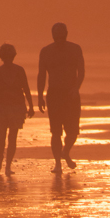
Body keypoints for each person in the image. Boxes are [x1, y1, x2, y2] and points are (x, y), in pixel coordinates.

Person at [37, 23, 85, 173]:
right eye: (55, 33)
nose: (58, 35)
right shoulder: (46, 51)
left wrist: (76, 88)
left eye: (60, 32)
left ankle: (66, 152)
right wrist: (39, 97)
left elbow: (81, 71)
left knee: (73, 131)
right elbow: (41, 75)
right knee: (56, 132)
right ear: (52, 34)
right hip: (54, 94)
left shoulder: (75, 49)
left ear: (66, 33)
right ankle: (58, 163)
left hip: (71, 94)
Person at [0, 43, 34, 175]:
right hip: (6, 108)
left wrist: (31, 106)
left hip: (13, 108)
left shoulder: (14, 71)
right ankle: (3, 161)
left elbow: (26, 89)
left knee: (6, 136)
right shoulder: (3, 72)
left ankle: (6, 164)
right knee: (6, 136)